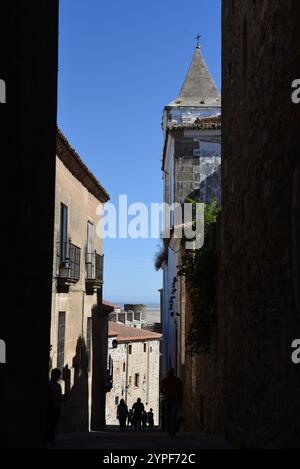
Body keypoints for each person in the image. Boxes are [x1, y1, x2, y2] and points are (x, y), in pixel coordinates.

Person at [161, 368, 183, 437]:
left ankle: (170, 431)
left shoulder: (165, 380)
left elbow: (161, 389)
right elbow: (181, 390)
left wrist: (164, 394)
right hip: (173, 399)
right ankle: (172, 431)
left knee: (169, 416)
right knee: (173, 416)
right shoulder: (177, 380)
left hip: (168, 399)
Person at [47, 368, 63, 448]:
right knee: (52, 426)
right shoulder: (57, 386)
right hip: (55, 408)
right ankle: (52, 442)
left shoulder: (48, 384)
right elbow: (59, 398)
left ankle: (51, 442)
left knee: (49, 425)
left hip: (48, 408)